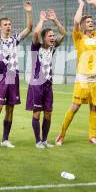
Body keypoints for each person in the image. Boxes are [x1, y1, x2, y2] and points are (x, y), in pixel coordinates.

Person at [56, 0, 96, 146]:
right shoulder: (78, 37)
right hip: (83, 77)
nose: (91, 23)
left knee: (94, 107)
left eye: (92, 22)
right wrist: (81, 5)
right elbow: (75, 22)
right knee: (75, 106)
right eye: (88, 22)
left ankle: (92, 136)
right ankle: (61, 135)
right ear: (82, 25)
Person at [0, 2, 32, 149]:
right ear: (0, 27)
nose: (8, 26)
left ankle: (5, 139)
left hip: (13, 75)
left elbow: (29, 29)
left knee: (10, 108)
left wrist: (29, 12)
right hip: (0, 76)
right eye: (5, 24)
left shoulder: (14, 40)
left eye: (9, 24)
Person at [26, 9, 66, 148]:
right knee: (37, 113)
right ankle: (38, 141)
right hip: (37, 84)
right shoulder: (36, 47)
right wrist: (42, 20)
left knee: (48, 113)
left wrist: (55, 20)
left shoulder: (52, 48)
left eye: (53, 35)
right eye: (50, 35)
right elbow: (36, 33)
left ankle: (44, 140)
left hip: (48, 84)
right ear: (44, 38)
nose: (53, 37)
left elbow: (63, 33)